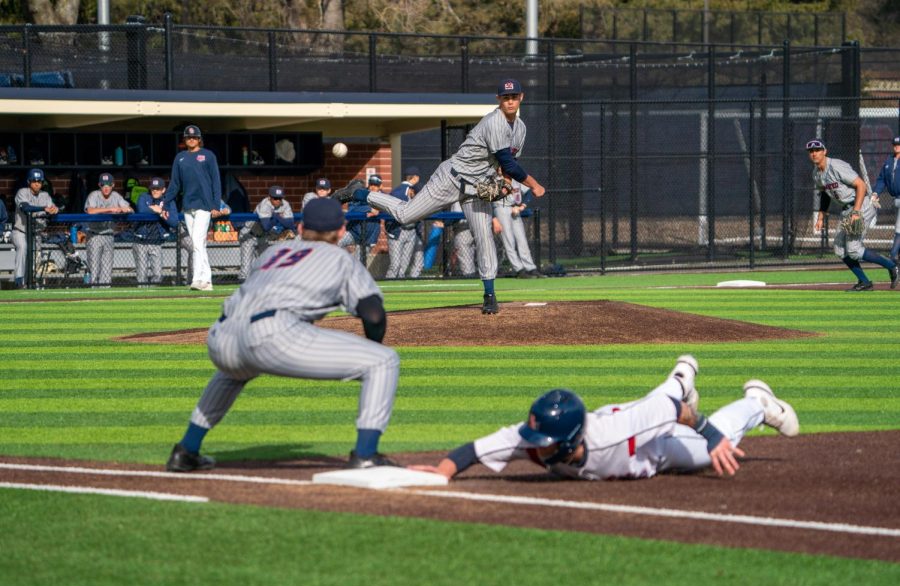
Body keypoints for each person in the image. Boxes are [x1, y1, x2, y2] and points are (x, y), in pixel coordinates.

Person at [165, 196, 400, 472]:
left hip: (221, 335)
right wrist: (370, 352)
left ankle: (186, 450)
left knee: (234, 371)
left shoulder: (273, 253)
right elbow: (373, 315)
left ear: (301, 230)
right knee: (383, 361)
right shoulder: (339, 257)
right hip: (273, 334)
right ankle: (366, 454)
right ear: (340, 231)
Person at [411, 355, 799, 482]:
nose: (536, 446)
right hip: (637, 419)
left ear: (569, 441)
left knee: (703, 446)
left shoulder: (612, 434)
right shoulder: (532, 436)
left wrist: (711, 435)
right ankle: (682, 373)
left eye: (545, 444)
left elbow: (678, 414)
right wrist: (442, 472)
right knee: (661, 397)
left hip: (650, 445)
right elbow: (472, 451)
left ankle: (757, 401)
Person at [347, 78, 546, 314]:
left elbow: (510, 165)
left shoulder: (520, 129)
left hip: (477, 187)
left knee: (484, 237)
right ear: (498, 99)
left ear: (521, 97)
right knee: (404, 214)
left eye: (514, 97)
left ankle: (490, 295)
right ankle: (359, 193)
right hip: (451, 178)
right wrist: (533, 185)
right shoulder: (494, 121)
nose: (510, 101)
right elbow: (506, 161)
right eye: (505, 97)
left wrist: (505, 183)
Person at [807, 138, 898, 291]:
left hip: (861, 205)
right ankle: (865, 282)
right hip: (847, 210)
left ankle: (892, 266)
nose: (814, 153)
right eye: (811, 151)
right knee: (839, 248)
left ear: (824, 151)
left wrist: (856, 212)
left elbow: (861, 185)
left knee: (854, 249)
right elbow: (824, 193)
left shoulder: (836, 166)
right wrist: (821, 216)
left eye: (817, 150)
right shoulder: (816, 173)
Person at [164, 124, 222, 291]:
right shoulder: (180, 158)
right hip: (188, 206)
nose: (191, 139)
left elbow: (216, 181)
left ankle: (197, 279)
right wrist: (166, 202)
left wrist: (215, 204)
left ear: (199, 139)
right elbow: (175, 183)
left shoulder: (208, 156)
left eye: (194, 137)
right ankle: (208, 280)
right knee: (199, 245)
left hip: (204, 205)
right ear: (185, 139)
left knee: (197, 242)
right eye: (188, 137)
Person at [12, 168, 58, 288]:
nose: (37, 183)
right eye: (34, 181)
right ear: (29, 182)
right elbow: (25, 208)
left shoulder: (45, 195)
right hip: (21, 231)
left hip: (36, 233)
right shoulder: (22, 192)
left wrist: (54, 209)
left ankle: (31, 282)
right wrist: (44, 208)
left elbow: (52, 207)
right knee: (23, 248)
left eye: (39, 181)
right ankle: (19, 281)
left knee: (35, 259)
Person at [84, 172, 132, 286]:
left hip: (109, 235)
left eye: (108, 185)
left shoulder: (116, 196)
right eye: (103, 185)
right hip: (94, 234)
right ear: (99, 185)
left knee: (107, 270)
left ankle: (104, 295)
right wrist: (110, 209)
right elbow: (90, 211)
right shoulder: (94, 195)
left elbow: (129, 208)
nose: (106, 188)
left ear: (113, 185)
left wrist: (125, 209)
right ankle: (92, 294)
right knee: (94, 268)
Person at [238, 185, 295, 281]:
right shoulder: (265, 204)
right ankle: (241, 293)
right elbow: (266, 226)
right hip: (249, 235)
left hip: (263, 237)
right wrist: (280, 218)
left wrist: (276, 217)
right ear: (269, 197)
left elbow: (290, 225)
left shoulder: (285, 204)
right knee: (245, 271)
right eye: (275, 198)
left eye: (280, 198)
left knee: (266, 266)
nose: (278, 200)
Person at [132, 176, 178, 286]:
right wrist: (160, 212)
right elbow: (142, 210)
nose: (155, 191)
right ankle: (142, 300)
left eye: (158, 189)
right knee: (141, 276)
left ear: (163, 190)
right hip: (140, 241)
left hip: (157, 241)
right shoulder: (144, 197)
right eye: (153, 188)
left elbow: (174, 221)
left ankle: (151, 296)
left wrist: (159, 211)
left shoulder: (168, 201)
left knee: (157, 275)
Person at [493, 180, 542, 278]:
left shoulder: (515, 179)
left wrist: (522, 206)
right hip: (500, 208)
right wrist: (494, 218)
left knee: (522, 239)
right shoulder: (494, 179)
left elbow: (528, 192)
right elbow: (487, 199)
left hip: (514, 207)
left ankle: (530, 268)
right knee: (508, 240)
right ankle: (519, 270)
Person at [385, 167, 424, 279]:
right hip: (397, 231)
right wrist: (389, 230)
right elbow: (387, 212)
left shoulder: (411, 194)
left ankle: (398, 290)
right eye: (415, 194)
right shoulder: (399, 193)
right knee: (395, 265)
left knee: (403, 265)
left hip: (411, 231)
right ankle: (387, 289)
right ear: (412, 190)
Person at [871, 135, 900, 264]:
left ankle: (893, 256)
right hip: (896, 199)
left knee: (899, 228)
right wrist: (876, 192)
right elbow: (882, 179)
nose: (897, 146)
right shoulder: (889, 161)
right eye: (895, 144)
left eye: (899, 144)